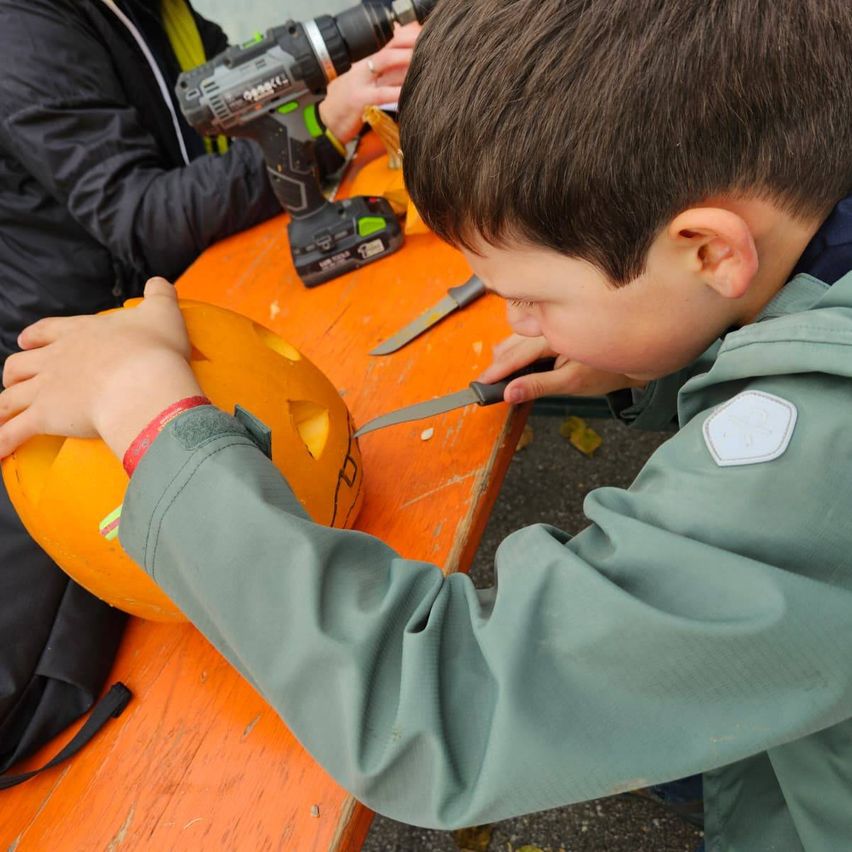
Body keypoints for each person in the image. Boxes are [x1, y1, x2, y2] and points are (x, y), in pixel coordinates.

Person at [1, 0, 851, 848]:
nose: (518, 322)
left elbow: (447, 707)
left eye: (534, 296)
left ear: (707, 251)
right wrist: (661, 362)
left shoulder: (824, 455)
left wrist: (148, 415)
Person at [0, 0, 415, 774]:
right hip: (84, 364)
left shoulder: (147, 8)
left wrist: (348, 68)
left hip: (186, 303)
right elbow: (143, 217)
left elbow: (221, 94)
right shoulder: (21, 34)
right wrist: (322, 120)